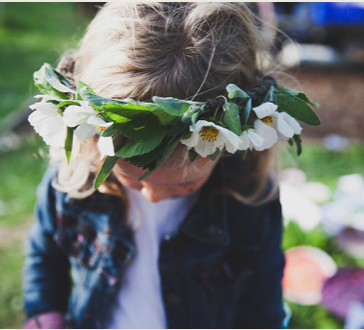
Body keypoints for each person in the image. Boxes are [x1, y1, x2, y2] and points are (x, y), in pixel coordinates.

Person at [22, 3, 312, 328]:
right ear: (92, 134)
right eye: (132, 179)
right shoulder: (72, 183)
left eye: (183, 184)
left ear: (231, 139)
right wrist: (45, 313)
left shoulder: (250, 202)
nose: (153, 196)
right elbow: (44, 255)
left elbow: (262, 310)